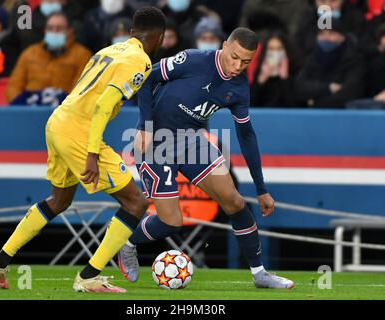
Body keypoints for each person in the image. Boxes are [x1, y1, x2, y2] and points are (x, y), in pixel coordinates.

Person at [0, 6, 166, 293]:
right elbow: (104, 105)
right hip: (78, 131)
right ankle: (89, 276)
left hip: (57, 121)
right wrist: (91, 154)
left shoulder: (109, 50)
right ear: (161, 38)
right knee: (136, 203)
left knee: (59, 200)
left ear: (131, 32)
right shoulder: (140, 61)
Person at [118, 28, 295, 289]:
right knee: (171, 222)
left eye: (245, 62)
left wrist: (261, 189)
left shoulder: (239, 88)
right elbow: (146, 78)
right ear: (224, 45)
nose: (237, 66)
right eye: (234, 57)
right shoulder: (192, 59)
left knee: (234, 201)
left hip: (192, 142)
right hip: (156, 141)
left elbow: (246, 135)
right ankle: (127, 243)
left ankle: (260, 274)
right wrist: (144, 125)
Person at [6, 12, 92, 105]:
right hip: (29, 110)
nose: (54, 32)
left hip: (63, 112)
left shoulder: (82, 55)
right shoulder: (30, 53)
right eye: (50, 28)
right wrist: (20, 104)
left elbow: (81, 90)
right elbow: (14, 86)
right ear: (45, 31)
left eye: (59, 29)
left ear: (70, 31)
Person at [295, 18, 365, 108]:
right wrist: (328, 88)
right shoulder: (312, 58)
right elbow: (299, 87)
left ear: (342, 37)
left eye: (331, 34)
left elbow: (350, 92)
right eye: (322, 34)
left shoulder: (355, 60)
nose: (326, 38)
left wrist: (315, 103)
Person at [251, 31, 300, 107]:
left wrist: (285, 79)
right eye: (271, 49)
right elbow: (250, 103)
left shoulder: (294, 70)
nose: (275, 52)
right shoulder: (260, 70)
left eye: (279, 49)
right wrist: (260, 81)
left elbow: (295, 104)